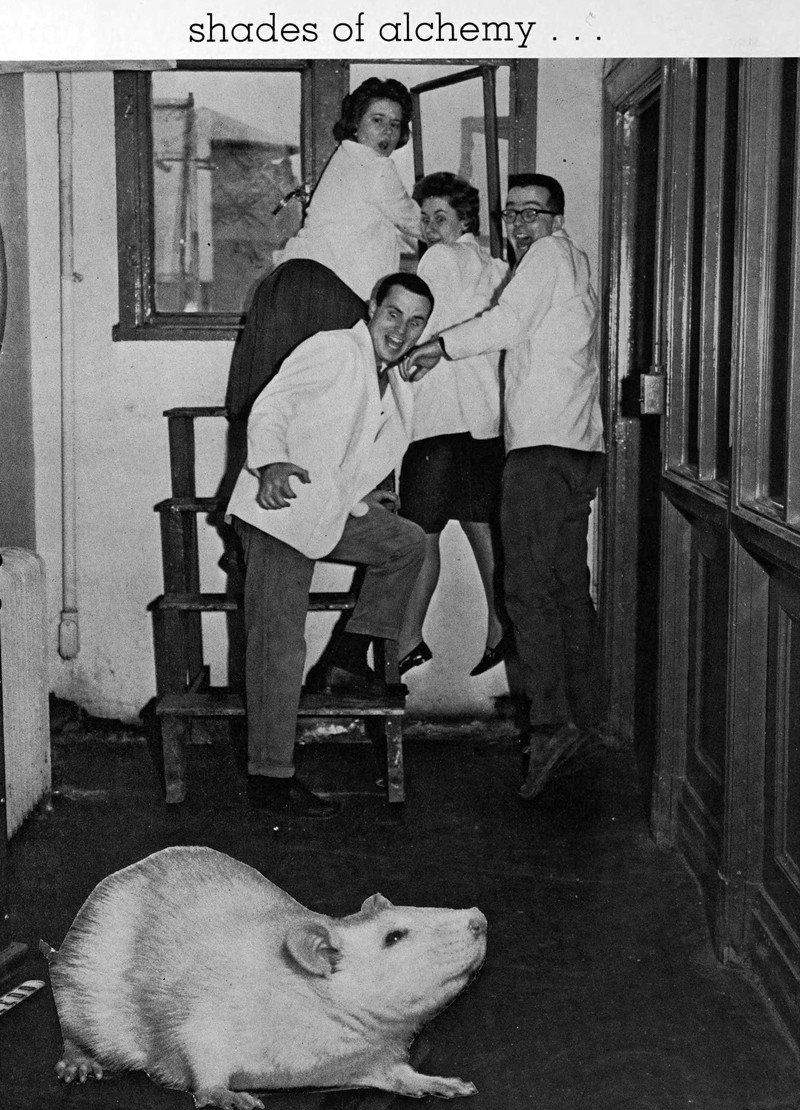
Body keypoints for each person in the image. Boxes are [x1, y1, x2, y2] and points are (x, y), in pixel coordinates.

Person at [404, 173, 605, 801]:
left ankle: (551, 727)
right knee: (567, 588)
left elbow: (507, 322)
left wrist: (439, 346)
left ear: (555, 218)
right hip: (578, 447)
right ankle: (585, 718)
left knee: (525, 588)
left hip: (541, 451)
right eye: (511, 213)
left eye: (531, 212)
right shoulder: (575, 262)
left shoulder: (545, 257)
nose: (519, 224)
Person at [225, 272, 434, 820]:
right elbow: (272, 406)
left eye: (415, 322)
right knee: (278, 647)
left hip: (326, 511)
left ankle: (345, 659)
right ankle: (270, 779)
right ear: (372, 308)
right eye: (394, 314)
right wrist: (271, 462)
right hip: (279, 507)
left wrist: (360, 495)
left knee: (406, 544)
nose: (401, 330)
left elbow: (349, 446)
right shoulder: (335, 348)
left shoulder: (397, 383)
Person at [396, 172, 509, 679]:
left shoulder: (439, 259)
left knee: (420, 534)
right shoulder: (498, 267)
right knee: (481, 527)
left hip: (441, 419)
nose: (429, 227)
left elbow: (425, 325)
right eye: (423, 217)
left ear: (464, 219)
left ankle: (407, 639)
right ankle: (500, 629)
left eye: (439, 217)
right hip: (484, 421)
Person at [275, 77, 421, 299]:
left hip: (306, 281)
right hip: (336, 289)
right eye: (377, 120)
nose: (387, 132)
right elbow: (417, 223)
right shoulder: (376, 166)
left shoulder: (345, 156)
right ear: (356, 122)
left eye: (394, 124)